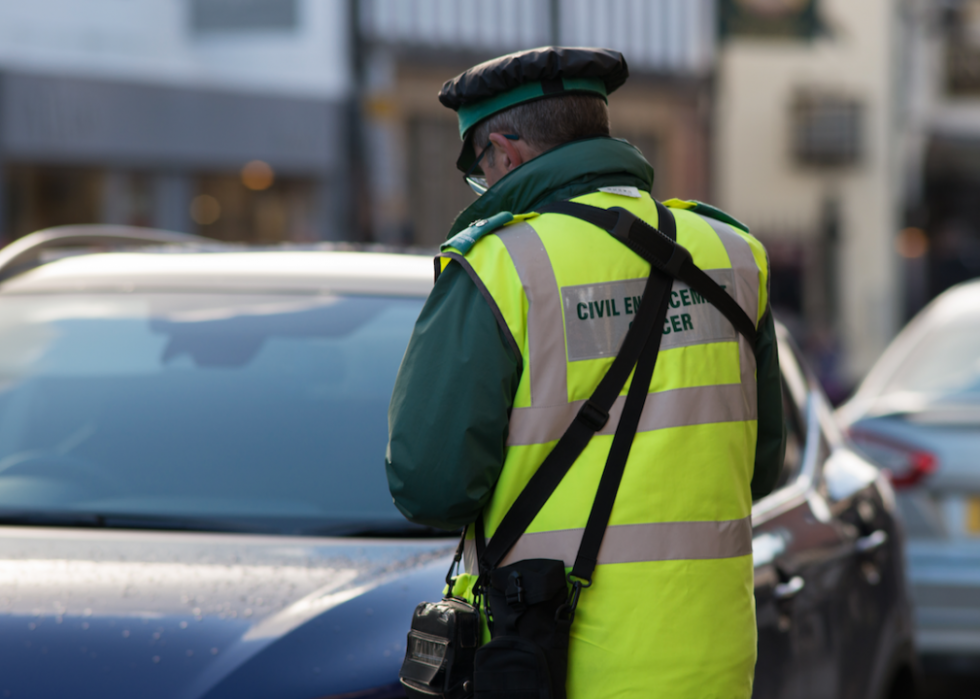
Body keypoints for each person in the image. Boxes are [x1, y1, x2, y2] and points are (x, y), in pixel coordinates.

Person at [386, 46, 784, 699]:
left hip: (559, 663)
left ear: (504, 152)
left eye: (480, 171)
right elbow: (762, 467)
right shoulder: (734, 254)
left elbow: (431, 486)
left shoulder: (499, 267)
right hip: (714, 663)